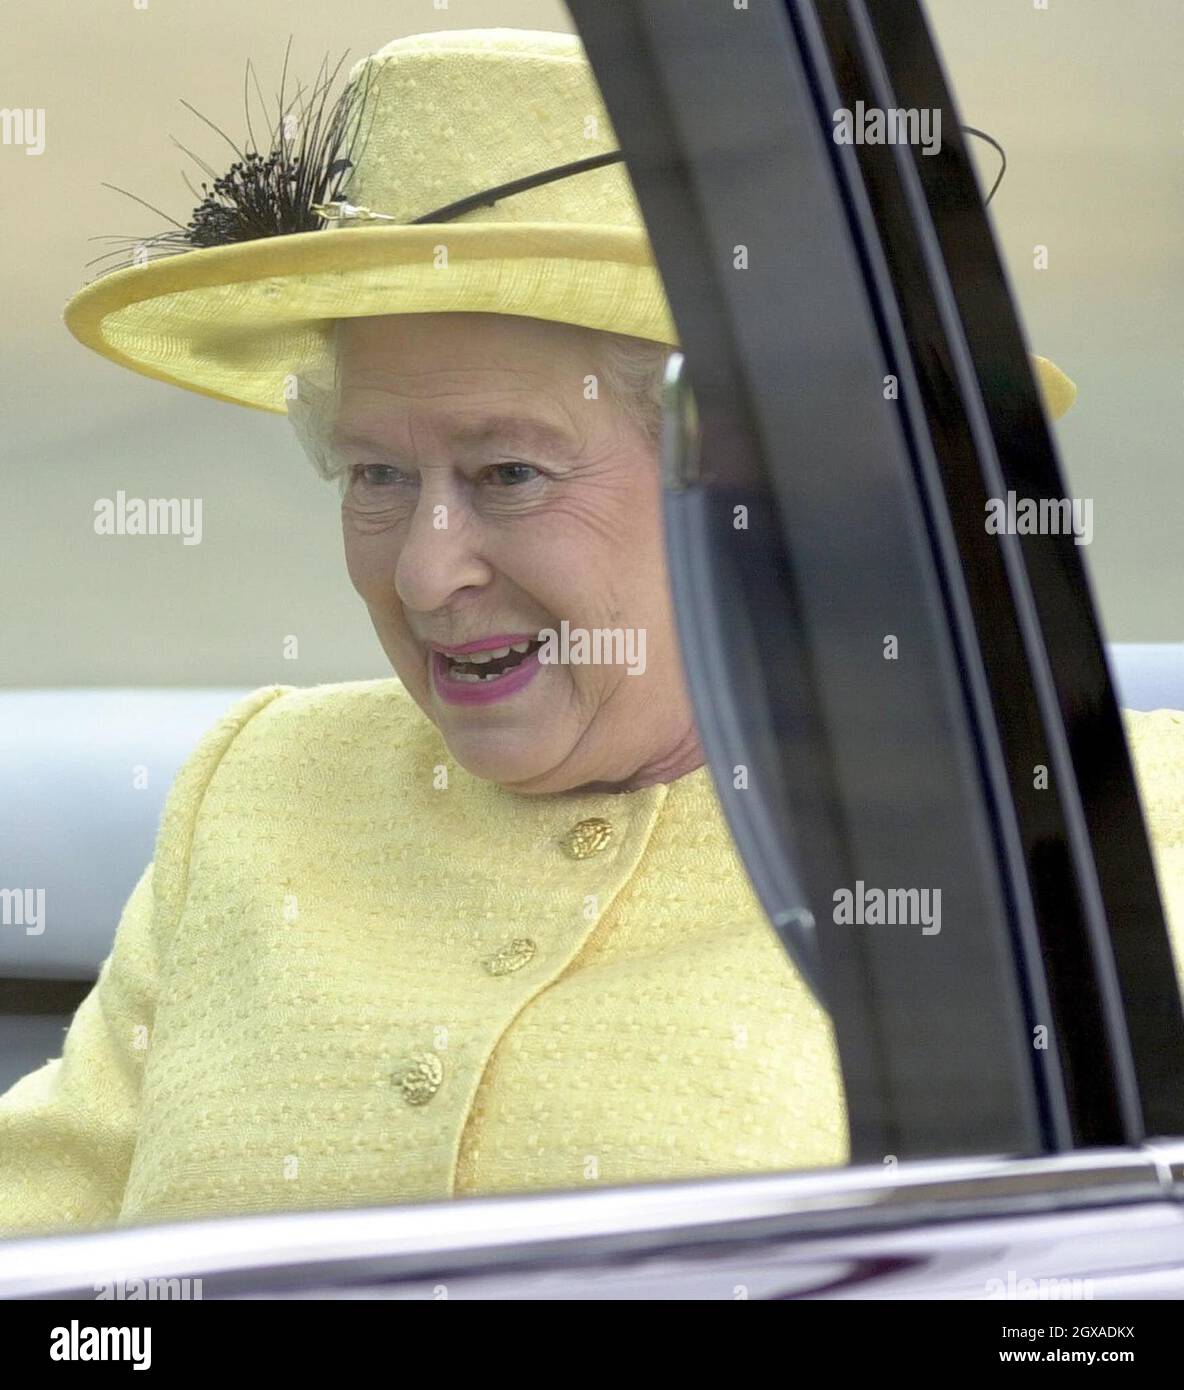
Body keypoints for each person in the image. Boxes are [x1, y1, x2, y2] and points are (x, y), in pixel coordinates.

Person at [1, 28, 1177, 1237]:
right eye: (375, 476)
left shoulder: (1111, 821)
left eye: (507, 472)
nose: (424, 569)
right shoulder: (259, 791)